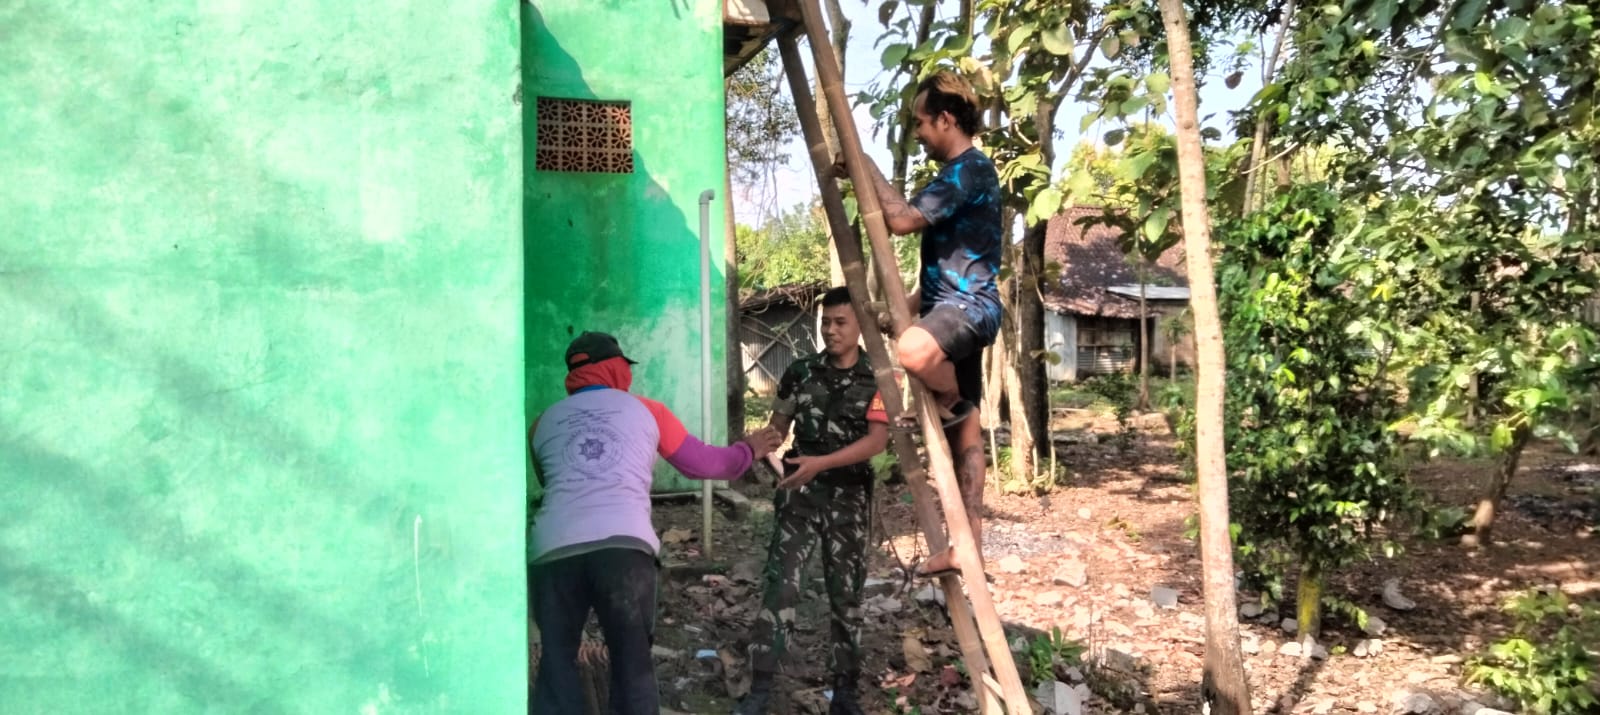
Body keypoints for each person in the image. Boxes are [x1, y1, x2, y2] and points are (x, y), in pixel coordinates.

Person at [528, 331, 783, 715]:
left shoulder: (541, 423)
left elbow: (553, 483)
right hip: (624, 551)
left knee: (557, 663)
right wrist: (749, 449)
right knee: (632, 665)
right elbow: (706, 464)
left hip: (552, 552)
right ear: (616, 370)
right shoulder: (648, 411)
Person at [852, 70, 1001, 576]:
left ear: (945, 119)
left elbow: (901, 220)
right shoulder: (959, 175)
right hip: (952, 307)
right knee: (969, 442)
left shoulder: (968, 171)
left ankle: (948, 400)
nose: (917, 132)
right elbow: (951, 262)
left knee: (913, 352)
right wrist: (909, 306)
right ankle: (968, 549)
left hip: (970, 310)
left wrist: (864, 165)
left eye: (921, 122)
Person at [734, 288, 890, 715]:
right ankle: (761, 690)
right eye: (826, 323)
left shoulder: (878, 377)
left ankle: (845, 694)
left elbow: (877, 440)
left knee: (847, 596)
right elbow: (778, 427)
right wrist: (759, 446)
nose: (831, 331)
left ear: (859, 326)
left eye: (841, 323)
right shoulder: (800, 371)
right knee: (781, 586)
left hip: (849, 498)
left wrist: (822, 463)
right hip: (800, 493)